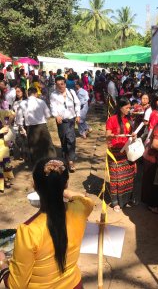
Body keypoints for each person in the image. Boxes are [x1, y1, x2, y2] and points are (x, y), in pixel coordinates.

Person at [0, 157, 94, 288]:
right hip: (74, 284)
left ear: (34, 185)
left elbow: (15, 285)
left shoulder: (28, 231)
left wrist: (2, 263)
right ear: (66, 184)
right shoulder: (80, 209)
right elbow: (87, 200)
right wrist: (59, 188)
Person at [106, 97, 136, 212]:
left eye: (130, 107)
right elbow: (107, 134)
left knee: (127, 177)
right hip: (114, 152)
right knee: (115, 178)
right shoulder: (112, 119)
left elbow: (130, 134)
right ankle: (115, 203)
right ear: (120, 107)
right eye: (127, 107)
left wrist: (133, 136)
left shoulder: (128, 120)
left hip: (126, 151)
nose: (129, 109)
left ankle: (125, 200)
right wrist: (112, 136)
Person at [17, 87, 56, 165]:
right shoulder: (41, 102)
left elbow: (19, 118)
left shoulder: (22, 103)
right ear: (35, 94)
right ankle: (51, 162)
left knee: (34, 147)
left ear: (28, 94)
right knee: (46, 145)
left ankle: (37, 164)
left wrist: (22, 128)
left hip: (31, 128)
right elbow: (48, 115)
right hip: (42, 126)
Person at [50, 76, 81, 172]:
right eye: (58, 84)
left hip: (71, 119)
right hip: (61, 121)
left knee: (71, 139)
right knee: (64, 140)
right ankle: (65, 159)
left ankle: (71, 161)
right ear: (55, 85)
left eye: (62, 84)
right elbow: (52, 107)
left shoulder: (71, 92)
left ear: (65, 84)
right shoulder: (53, 95)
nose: (60, 86)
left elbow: (77, 103)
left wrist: (78, 115)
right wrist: (56, 116)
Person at [12, 86, 28, 160]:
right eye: (16, 92)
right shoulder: (15, 103)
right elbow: (13, 113)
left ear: (23, 92)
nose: (17, 93)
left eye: (19, 91)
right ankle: (20, 153)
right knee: (18, 139)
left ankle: (25, 154)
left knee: (25, 138)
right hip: (16, 123)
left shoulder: (27, 101)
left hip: (25, 123)